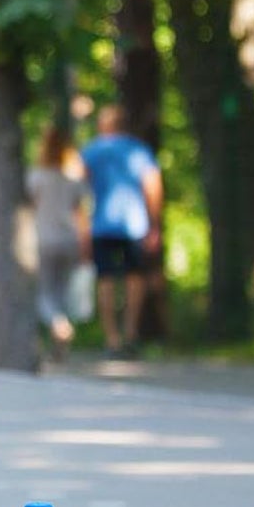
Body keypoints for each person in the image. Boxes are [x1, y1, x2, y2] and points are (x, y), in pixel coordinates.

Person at [80, 103, 163, 359]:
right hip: (134, 224)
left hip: (100, 224)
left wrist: (82, 226)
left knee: (105, 279)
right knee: (134, 278)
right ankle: (130, 333)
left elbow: (78, 190)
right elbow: (153, 186)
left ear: (103, 125)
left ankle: (112, 338)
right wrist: (154, 224)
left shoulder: (91, 151)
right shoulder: (138, 150)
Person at [26, 124, 90, 359]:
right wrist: (85, 243)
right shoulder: (73, 180)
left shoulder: (36, 177)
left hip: (44, 239)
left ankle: (58, 325)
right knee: (62, 291)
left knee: (44, 292)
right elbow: (81, 214)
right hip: (69, 240)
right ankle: (59, 340)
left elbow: (30, 209)